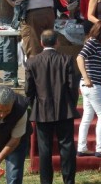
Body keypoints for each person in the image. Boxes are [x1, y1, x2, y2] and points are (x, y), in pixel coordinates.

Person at [25, 29, 80, 184]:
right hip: (64, 109)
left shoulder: (32, 62)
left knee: (44, 149)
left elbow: (28, 89)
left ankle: (45, 181)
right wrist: (71, 104)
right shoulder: (67, 59)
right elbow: (72, 87)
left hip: (42, 110)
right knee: (67, 147)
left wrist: (32, 105)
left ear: (42, 43)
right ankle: (69, 181)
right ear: (57, 42)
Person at [76, 20, 101, 158]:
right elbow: (80, 58)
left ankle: (82, 147)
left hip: (90, 84)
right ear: (100, 33)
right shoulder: (93, 42)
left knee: (87, 117)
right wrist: (86, 77)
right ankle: (100, 148)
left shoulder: (98, 44)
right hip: (92, 84)